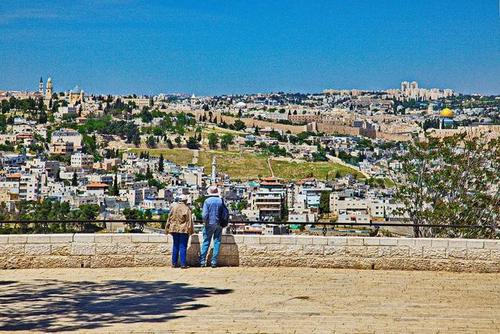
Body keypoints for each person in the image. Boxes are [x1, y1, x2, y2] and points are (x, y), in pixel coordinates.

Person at [199, 185, 229, 268]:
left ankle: (202, 261)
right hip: (219, 224)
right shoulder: (220, 201)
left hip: (209, 224)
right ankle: (214, 262)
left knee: (206, 242)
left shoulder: (207, 201)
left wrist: (205, 222)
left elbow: (204, 215)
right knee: (217, 242)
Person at [166, 194, 194, 269]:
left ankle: (174, 263)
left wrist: (167, 228)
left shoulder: (173, 207)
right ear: (185, 201)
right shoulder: (186, 208)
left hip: (174, 229)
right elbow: (189, 221)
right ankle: (183, 264)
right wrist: (191, 231)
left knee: (175, 245)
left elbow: (169, 218)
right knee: (183, 246)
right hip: (183, 229)